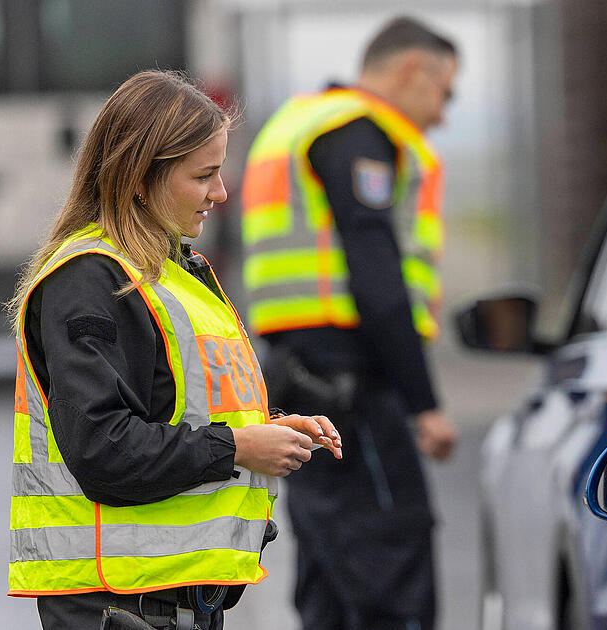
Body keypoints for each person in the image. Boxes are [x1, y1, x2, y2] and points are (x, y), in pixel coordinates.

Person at [6, 70, 342, 630]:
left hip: (165, 603)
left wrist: (272, 429)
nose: (221, 193)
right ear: (139, 177)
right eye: (204, 175)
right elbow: (103, 450)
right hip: (116, 604)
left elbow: (177, 410)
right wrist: (238, 447)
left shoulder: (172, 274)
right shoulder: (91, 279)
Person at [240, 15, 459, 630]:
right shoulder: (357, 135)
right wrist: (425, 403)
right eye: (445, 94)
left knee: (329, 573)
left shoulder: (296, 123)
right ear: (412, 70)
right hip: (356, 386)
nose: (442, 116)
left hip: (300, 377)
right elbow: (379, 283)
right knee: (392, 558)